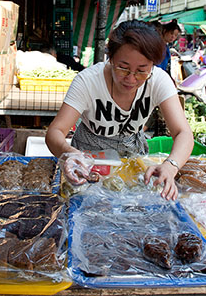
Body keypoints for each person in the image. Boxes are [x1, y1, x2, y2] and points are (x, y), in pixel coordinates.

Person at [46, 20, 194, 200]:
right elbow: (55, 131)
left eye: (141, 71)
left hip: (132, 157)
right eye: (123, 68)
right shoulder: (88, 81)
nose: (131, 79)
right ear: (110, 58)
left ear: (152, 65)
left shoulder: (159, 80)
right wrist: (68, 153)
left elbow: (183, 132)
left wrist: (171, 165)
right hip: (88, 160)